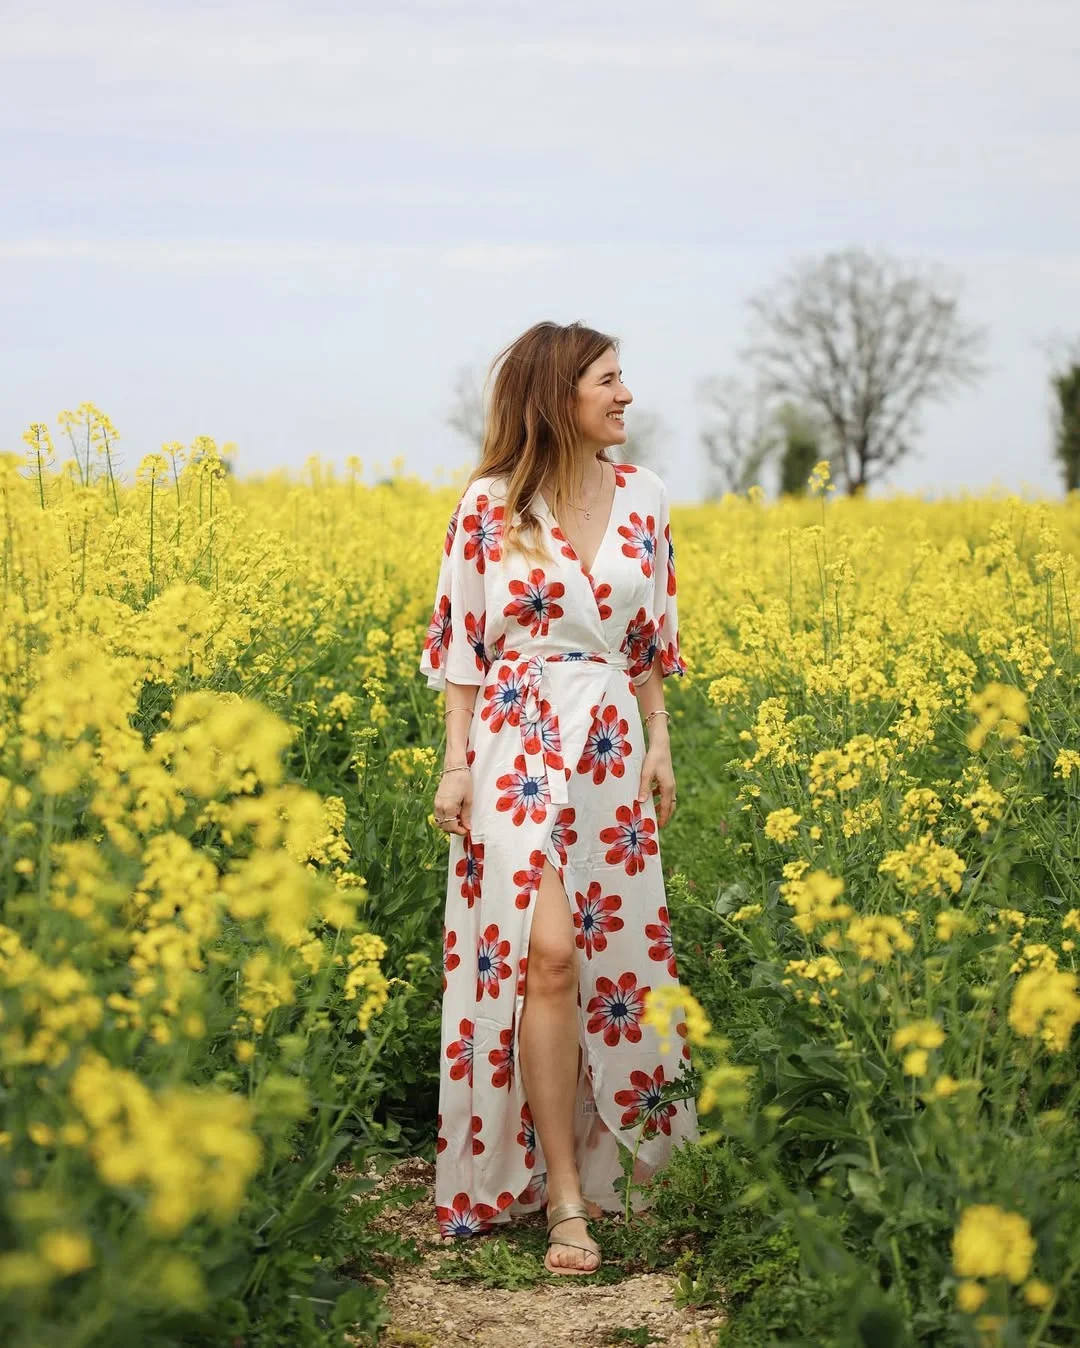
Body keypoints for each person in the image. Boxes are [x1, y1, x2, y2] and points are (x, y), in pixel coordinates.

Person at [419, 321, 699, 1276]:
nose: (626, 398)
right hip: (515, 740)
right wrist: (456, 763)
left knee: (607, 962)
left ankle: (606, 1161)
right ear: (558, 394)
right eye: (609, 382)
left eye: (624, 382)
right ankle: (563, 1201)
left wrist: (661, 739)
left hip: (613, 742)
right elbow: (461, 648)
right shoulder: (489, 505)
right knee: (546, 957)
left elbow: (652, 638)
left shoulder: (646, 497)